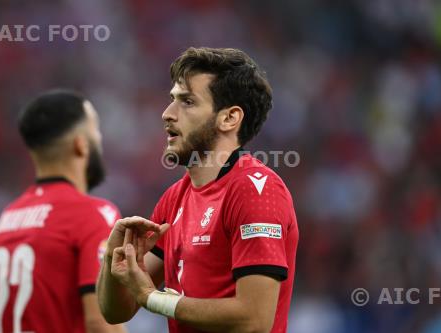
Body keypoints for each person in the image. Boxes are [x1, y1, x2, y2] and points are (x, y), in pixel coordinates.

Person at [97, 47, 299, 333]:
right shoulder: (173, 199)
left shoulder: (256, 190)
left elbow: (254, 320)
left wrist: (153, 298)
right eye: (172, 101)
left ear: (229, 118)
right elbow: (117, 310)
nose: (167, 114)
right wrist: (112, 260)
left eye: (187, 102)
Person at [0, 90, 127, 333]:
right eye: (96, 130)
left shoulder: (7, 219)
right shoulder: (93, 214)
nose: (99, 139)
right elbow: (100, 323)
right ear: (81, 145)